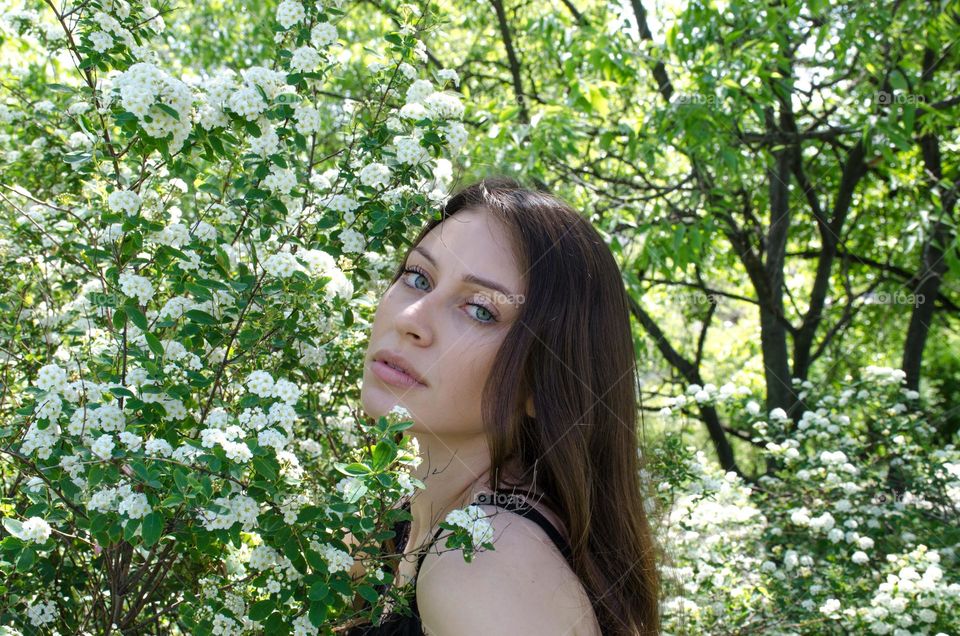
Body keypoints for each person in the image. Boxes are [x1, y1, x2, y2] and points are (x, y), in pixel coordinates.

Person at [347, 177, 661, 635]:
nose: (411, 319)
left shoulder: (481, 569)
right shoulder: (396, 522)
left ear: (540, 384)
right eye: (418, 278)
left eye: (479, 309)